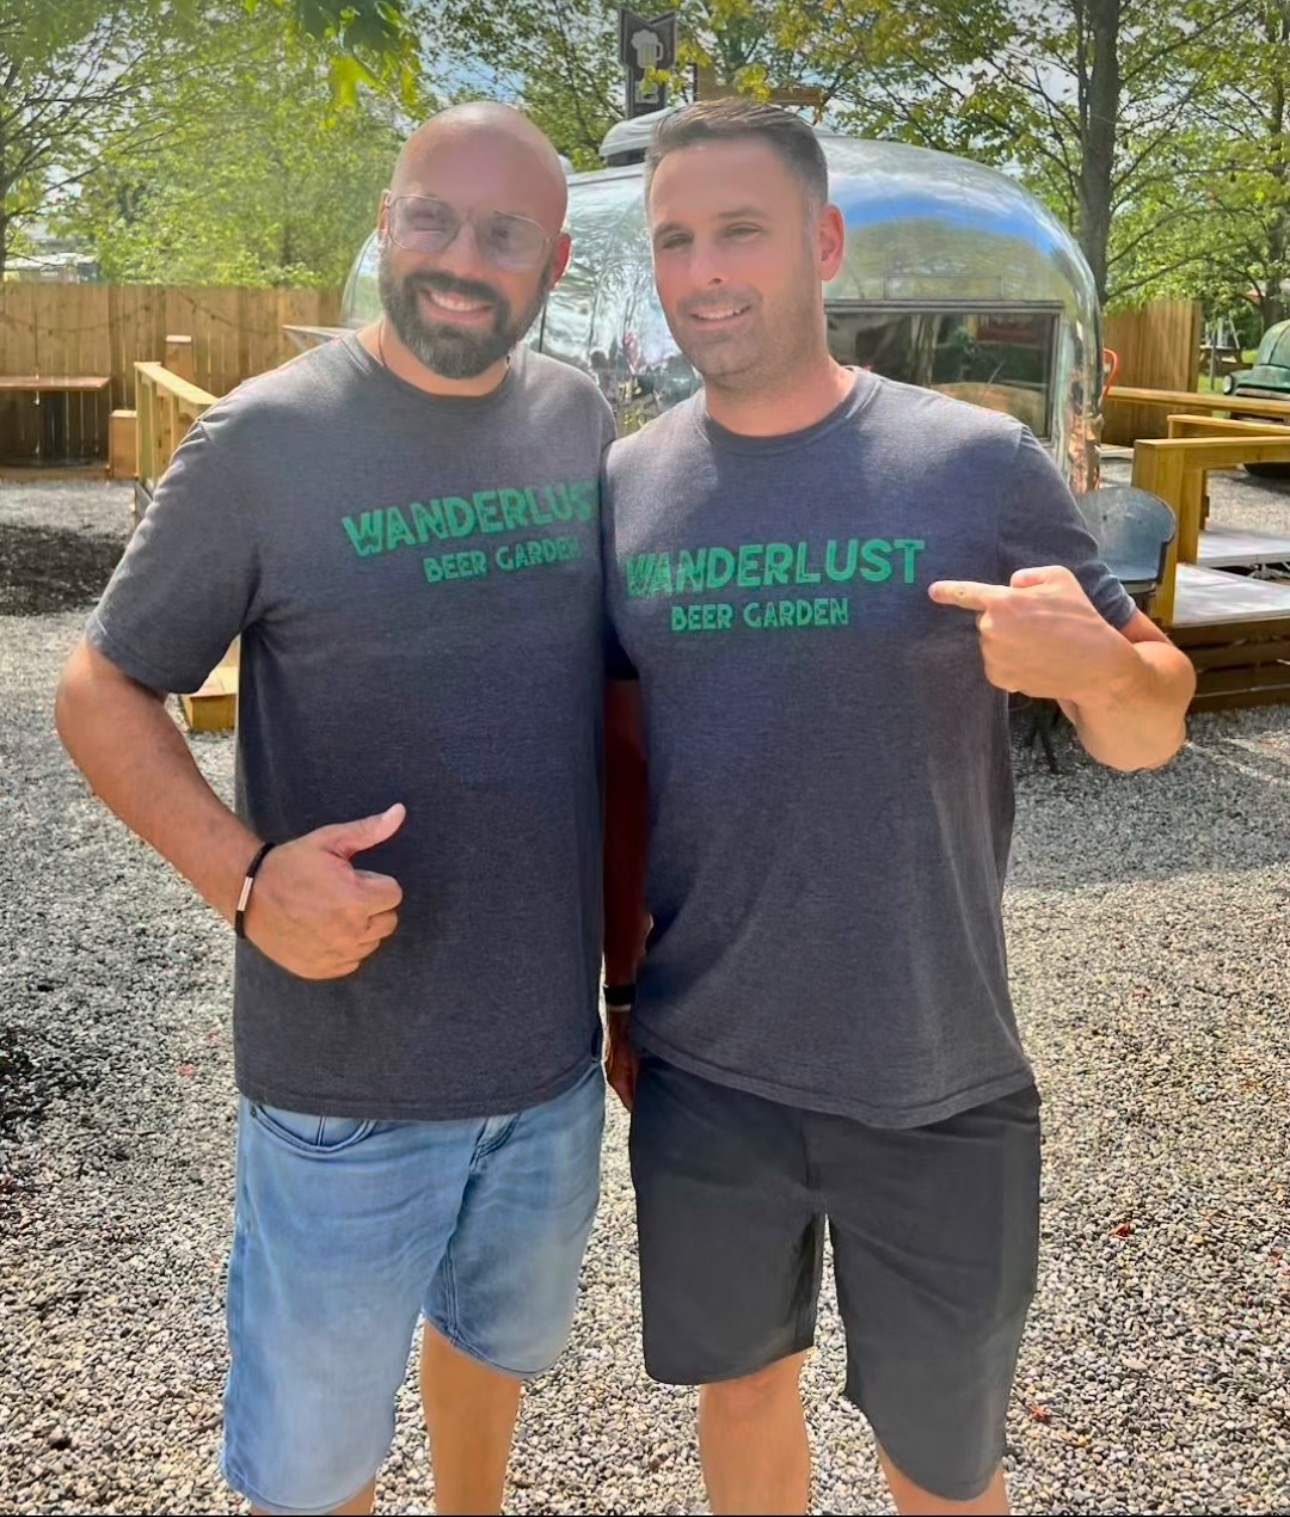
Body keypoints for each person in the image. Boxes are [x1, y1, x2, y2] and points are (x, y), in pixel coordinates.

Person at [601, 99, 1196, 1517]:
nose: (704, 271)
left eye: (739, 231)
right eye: (675, 239)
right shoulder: (629, 485)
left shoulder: (973, 464)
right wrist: (621, 992)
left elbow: (1152, 724)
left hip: (937, 1070)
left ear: (823, 244)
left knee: (943, 1462)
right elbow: (623, 756)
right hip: (706, 1068)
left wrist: (1098, 669)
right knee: (743, 1399)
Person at [56, 103, 615, 1517]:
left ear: (553, 261)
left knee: (494, 1347)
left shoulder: (577, 420)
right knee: (314, 1464)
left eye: (504, 234)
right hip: (344, 1077)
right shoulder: (264, 441)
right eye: (433, 218)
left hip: (547, 1062)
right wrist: (244, 880)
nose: (461, 259)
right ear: (386, 224)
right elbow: (101, 687)